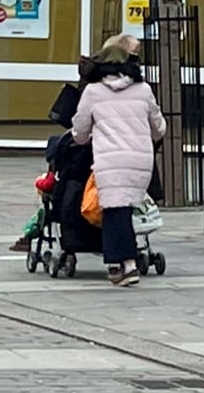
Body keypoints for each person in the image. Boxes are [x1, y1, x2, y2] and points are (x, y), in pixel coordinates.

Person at [70, 34, 164, 285]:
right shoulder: (144, 90)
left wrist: (85, 136)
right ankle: (119, 263)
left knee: (113, 211)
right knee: (123, 210)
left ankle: (126, 265)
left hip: (109, 161)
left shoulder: (93, 92)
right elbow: (159, 128)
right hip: (140, 160)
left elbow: (79, 131)